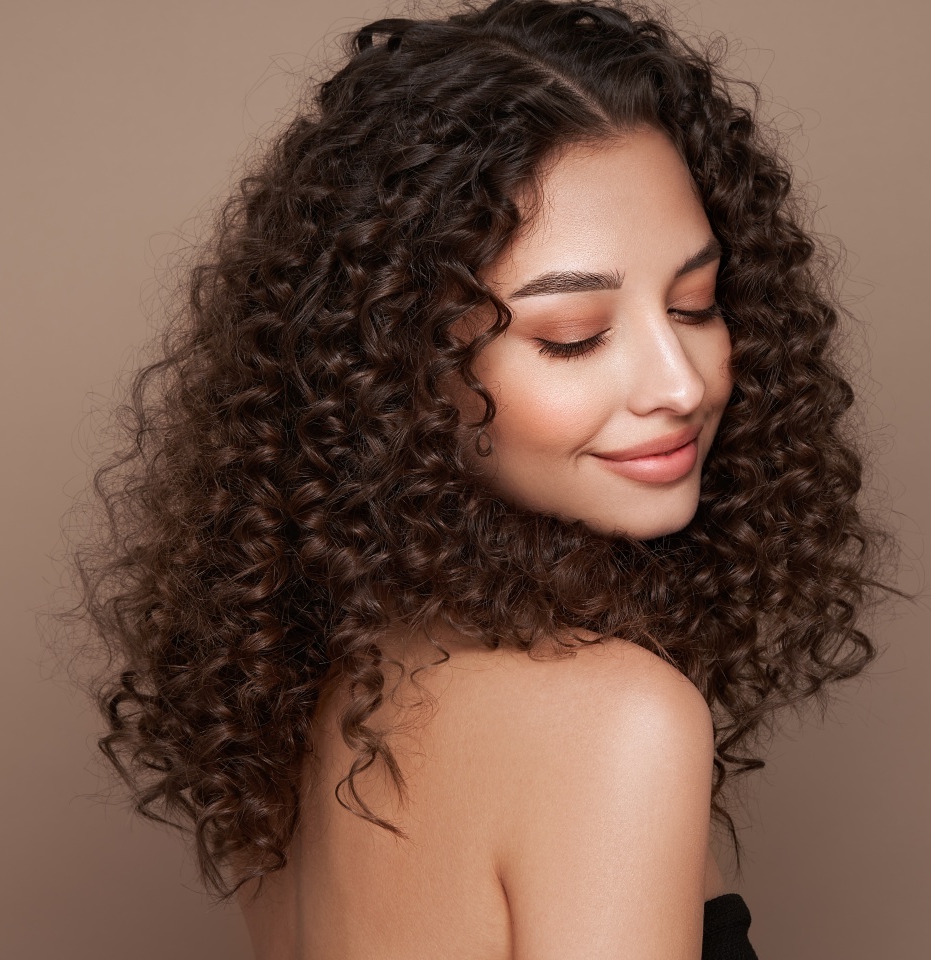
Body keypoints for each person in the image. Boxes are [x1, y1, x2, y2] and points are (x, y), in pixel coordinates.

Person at [72, 1, 897, 957]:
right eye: (572, 337)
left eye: (697, 304)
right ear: (396, 369)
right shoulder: (616, 722)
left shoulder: (319, 697)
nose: (682, 384)